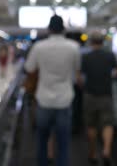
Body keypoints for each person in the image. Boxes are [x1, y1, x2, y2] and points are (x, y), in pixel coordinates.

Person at [25, 15, 81, 166]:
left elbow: (29, 68)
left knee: (42, 141)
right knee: (63, 143)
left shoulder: (39, 47)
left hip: (44, 100)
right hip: (64, 100)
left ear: (49, 29)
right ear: (63, 29)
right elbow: (77, 72)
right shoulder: (73, 47)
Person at [80, 32, 117, 166]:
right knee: (107, 123)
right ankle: (106, 151)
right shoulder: (109, 55)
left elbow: (79, 77)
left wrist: (82, 86)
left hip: (90, 95)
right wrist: (112, 78)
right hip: (106, 95)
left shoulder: (86, 57)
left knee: (91, 125)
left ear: (91, 42)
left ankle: (92, 153)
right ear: (103, 42)